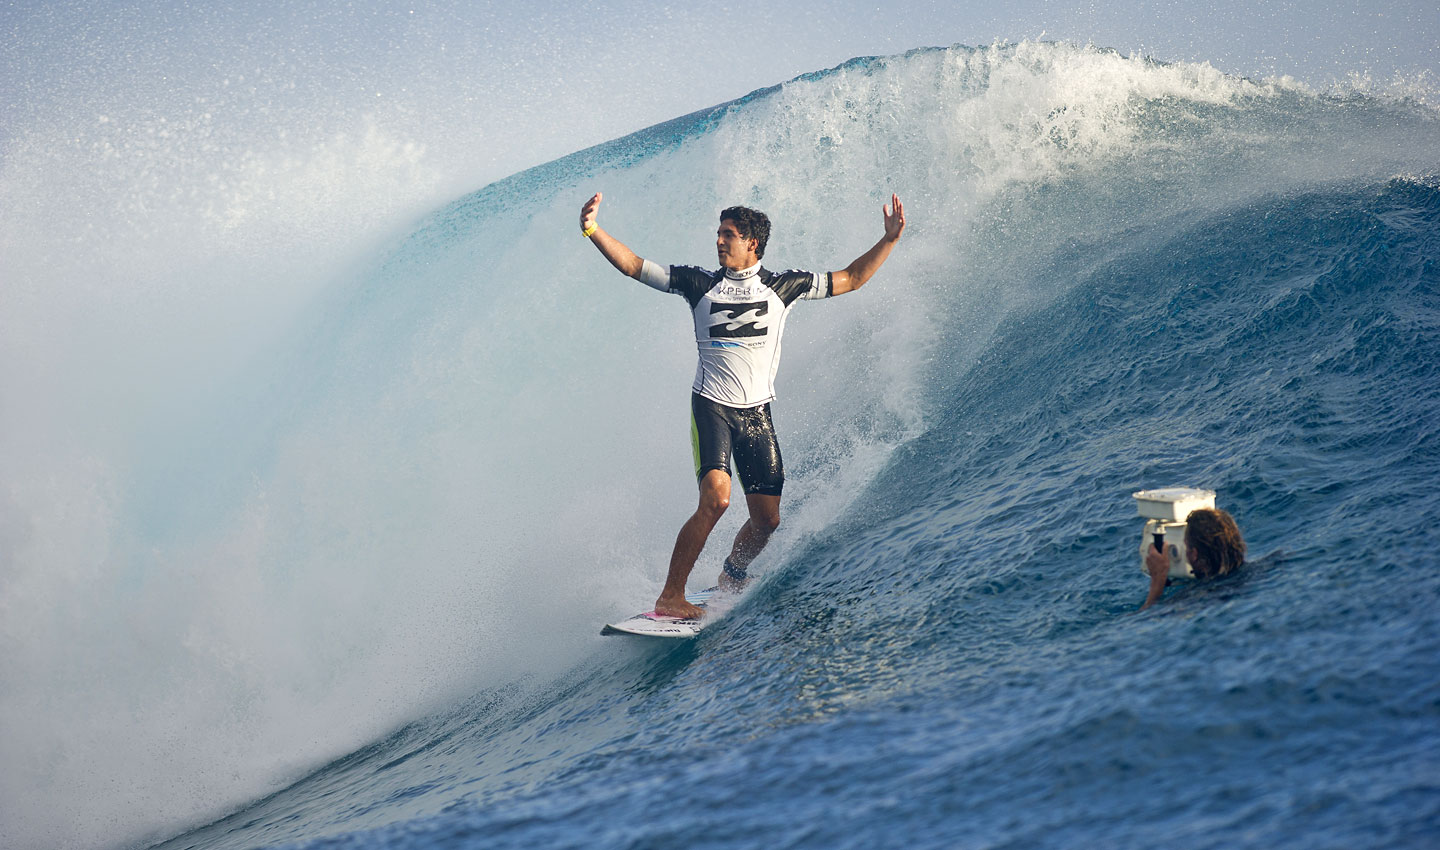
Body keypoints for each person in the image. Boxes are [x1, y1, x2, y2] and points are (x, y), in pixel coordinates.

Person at [580, 191, 906, 618]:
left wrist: (889, 240)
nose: (718, 241)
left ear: (752, 243)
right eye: (718, 233)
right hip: (711, 408)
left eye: (728, 235)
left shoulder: (784, 287)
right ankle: (670, 597)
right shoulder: (699, 283)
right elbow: (633, 265)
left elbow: (852, 278)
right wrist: (592, 229)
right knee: (716, 499)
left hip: (756, 415)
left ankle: (732, 573)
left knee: (767, 520)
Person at [1141, 507, 1246, 609]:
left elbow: (1145, 618)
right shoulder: (1254, 573)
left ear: (1194, 554)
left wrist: (1157, 582)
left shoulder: (1195, 597)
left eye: (1186, 547)